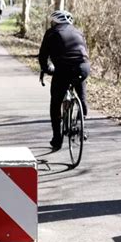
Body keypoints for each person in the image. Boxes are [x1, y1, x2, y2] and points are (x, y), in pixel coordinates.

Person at [39, 10, 91, 150]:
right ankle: (81, 126)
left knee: (55, 103)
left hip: (63, 70)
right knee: (82, 97)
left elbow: (43, 56)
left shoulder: (52, 32)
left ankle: (57, 139)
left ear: (55, 22)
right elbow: (84, 52)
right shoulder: (79, 32)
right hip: (83, 68)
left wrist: (47, 69)